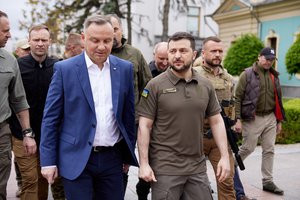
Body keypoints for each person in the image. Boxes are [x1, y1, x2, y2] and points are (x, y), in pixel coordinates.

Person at [40, 15, 138, 200]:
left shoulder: (125, 69)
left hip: (112, 158)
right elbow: (50, 119)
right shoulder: (65, 69)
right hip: (75, 159)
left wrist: (128, 153)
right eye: (95, 40)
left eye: (107, 41)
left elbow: (128, 115)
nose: (101, 46)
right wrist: (48, 161)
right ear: (84, 38)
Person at [137, 32, 230, 200]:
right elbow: (144, 125)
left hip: (197, 167)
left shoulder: (205, 85)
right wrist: (143, 164)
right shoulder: (155, 85)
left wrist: (224, 157)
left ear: (194, 54)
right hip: (165, 169)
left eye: (183, 51)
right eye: (172, 51)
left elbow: (216, 121)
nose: (177, 56)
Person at [194, 36, 256, 200]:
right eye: (213, 51)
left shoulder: (227, 77)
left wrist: (235, 120)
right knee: (195, 185)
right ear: (203, 53)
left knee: (227, 183)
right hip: (196, 136)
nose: (217, 54)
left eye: (220, 51)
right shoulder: (194, 75)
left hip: (221, 137)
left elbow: (232, 101)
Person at [9, 24, 65, 200]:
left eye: (43, 40)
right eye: (36, 40)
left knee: (46, 178)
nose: (40, 43)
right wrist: (25, 132)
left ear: (49, 42)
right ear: (29, 41)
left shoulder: (58, 67)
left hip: (51, 135)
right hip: (21, 134)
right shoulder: (18, 67)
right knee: (30, 179)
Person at [106, 13, 152, 193]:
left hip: (129, 122)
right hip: (104, 121)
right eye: (109, 30)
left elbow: (147, 87)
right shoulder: (98, 54)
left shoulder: (134, 54)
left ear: (121, 30)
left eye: (115, 29)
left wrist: (143, 114)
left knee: (123, 166)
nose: (112, 34)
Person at [234, 47, 286, 195]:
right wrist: (237, 119)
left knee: (269, 149)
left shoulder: (274, 75)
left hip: (270, 117)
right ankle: (228, 167)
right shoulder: (247, 74)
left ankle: (267, 181)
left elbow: (278, 100)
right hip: (253, 117)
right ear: (259, 57)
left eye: (271, 60)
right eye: (266, 58)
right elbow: (237, 98)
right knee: (248, 148)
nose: (269, 62)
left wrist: (279, 120)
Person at [0, 10, 35, 200]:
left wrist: (27, 133)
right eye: (5, 30)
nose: (10, 35)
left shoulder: (9, 61)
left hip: (1, 135)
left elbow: (19, 100)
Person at [135, 41, 168, 200]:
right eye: (161, 58)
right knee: (146, 168)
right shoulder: (146, 72)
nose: (164, 62)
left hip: (167, 128)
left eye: (167, 58)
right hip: (148, 127)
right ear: (154, 55)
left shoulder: (174, 71)